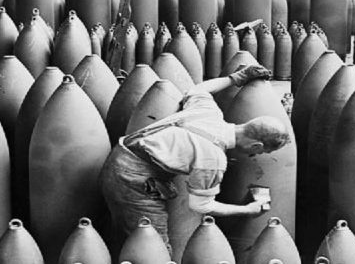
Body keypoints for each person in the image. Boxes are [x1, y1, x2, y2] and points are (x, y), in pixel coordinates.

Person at [99, 64, 291, 253]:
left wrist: (237, 77)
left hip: (119, 156)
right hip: (131, 180)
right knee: (155, 249)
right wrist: (249, 210)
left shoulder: (210, 112)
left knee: (131, 237)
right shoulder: (213, 159)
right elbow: (201, 205)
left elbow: (199, 89)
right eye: (260, 152)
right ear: (256, 146)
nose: (256, 155)